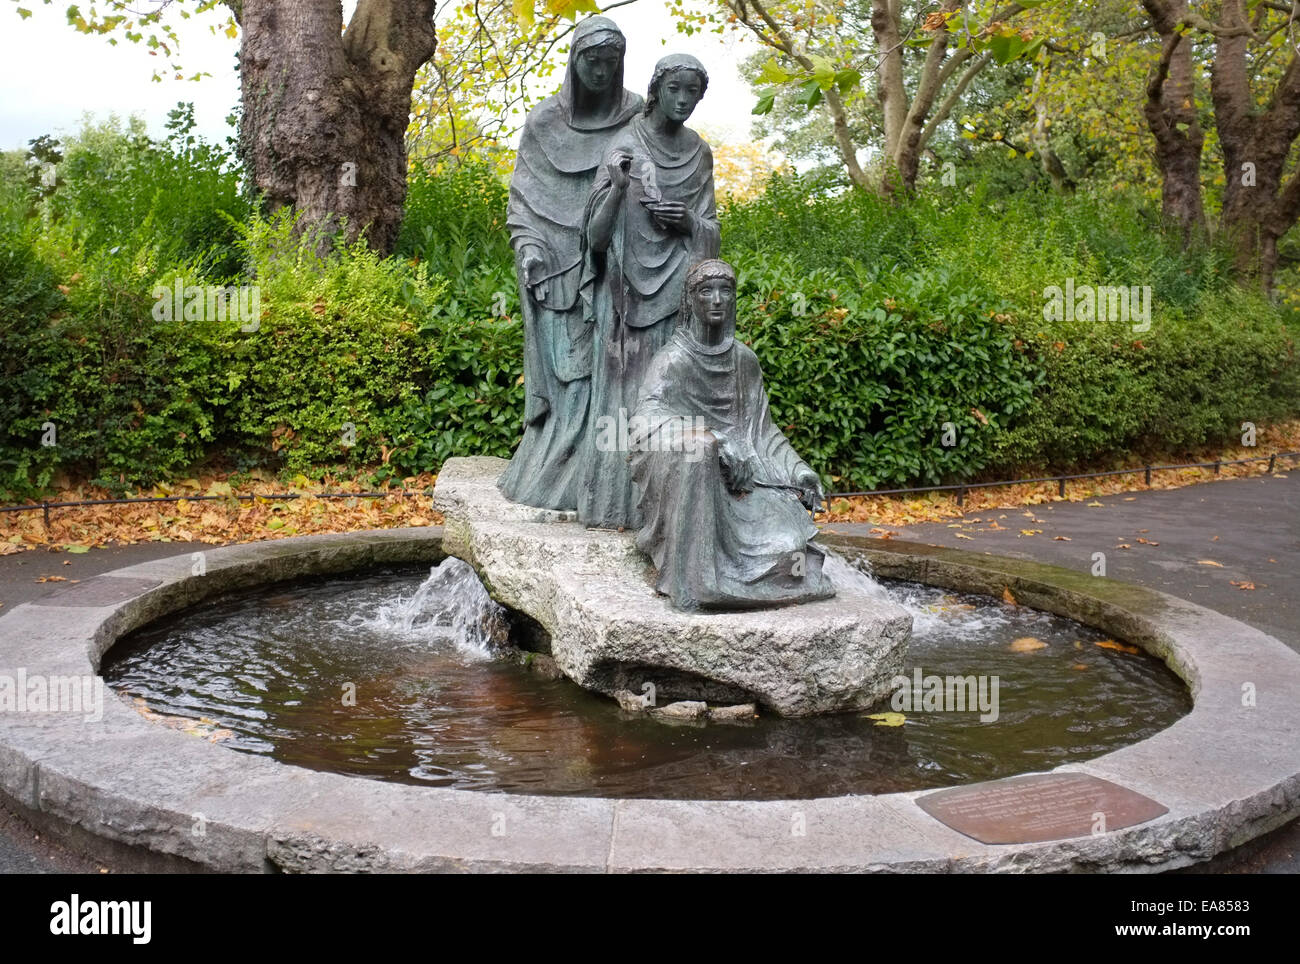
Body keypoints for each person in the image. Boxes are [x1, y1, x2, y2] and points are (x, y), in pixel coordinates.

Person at [629, 259, 835, 612]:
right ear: (689, 300)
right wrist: (711, 441)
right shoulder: (672, 360)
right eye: (706, 291)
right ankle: (700, 583)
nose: (716, 300)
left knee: (792, 549)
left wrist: (799, 471)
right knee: (701, 448)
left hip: (748, 483)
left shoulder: (744, 361)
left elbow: (763, 432)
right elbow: (645, 421)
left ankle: (739, 583)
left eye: (726, 291)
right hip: (700, 486)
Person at [497, 16, 642, 511]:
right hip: (559, 269)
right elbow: (523, 201)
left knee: (613, 370)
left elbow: (650, 184)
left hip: (621, 267)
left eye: (610, 62)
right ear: (574, 61)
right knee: (570, 373)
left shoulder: (637, 118)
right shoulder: (543, 123)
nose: (601, 72)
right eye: (591, 61)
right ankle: (557, 466)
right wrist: (531, 248)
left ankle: (606, 479)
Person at [578, 53, 721, 529]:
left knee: (670, 401)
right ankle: (614, 505)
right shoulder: (624, 144)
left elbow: (712, 231)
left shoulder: (699, 154)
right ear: (656, 89)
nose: (683, 100)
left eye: (692, 93)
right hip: (623, 298)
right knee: (620, 403)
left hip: (678, 294)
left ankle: (668, 515)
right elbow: (594, 239)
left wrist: (689, 222)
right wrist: (618, 187)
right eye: (675, 89)